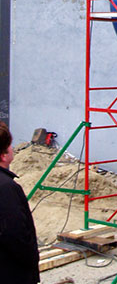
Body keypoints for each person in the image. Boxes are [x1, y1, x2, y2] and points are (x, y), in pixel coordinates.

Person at [0, 121, 40, 284]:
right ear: (3, 155)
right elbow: (15, 235)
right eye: (10, 145)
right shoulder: (6, 188)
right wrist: (31, 262)